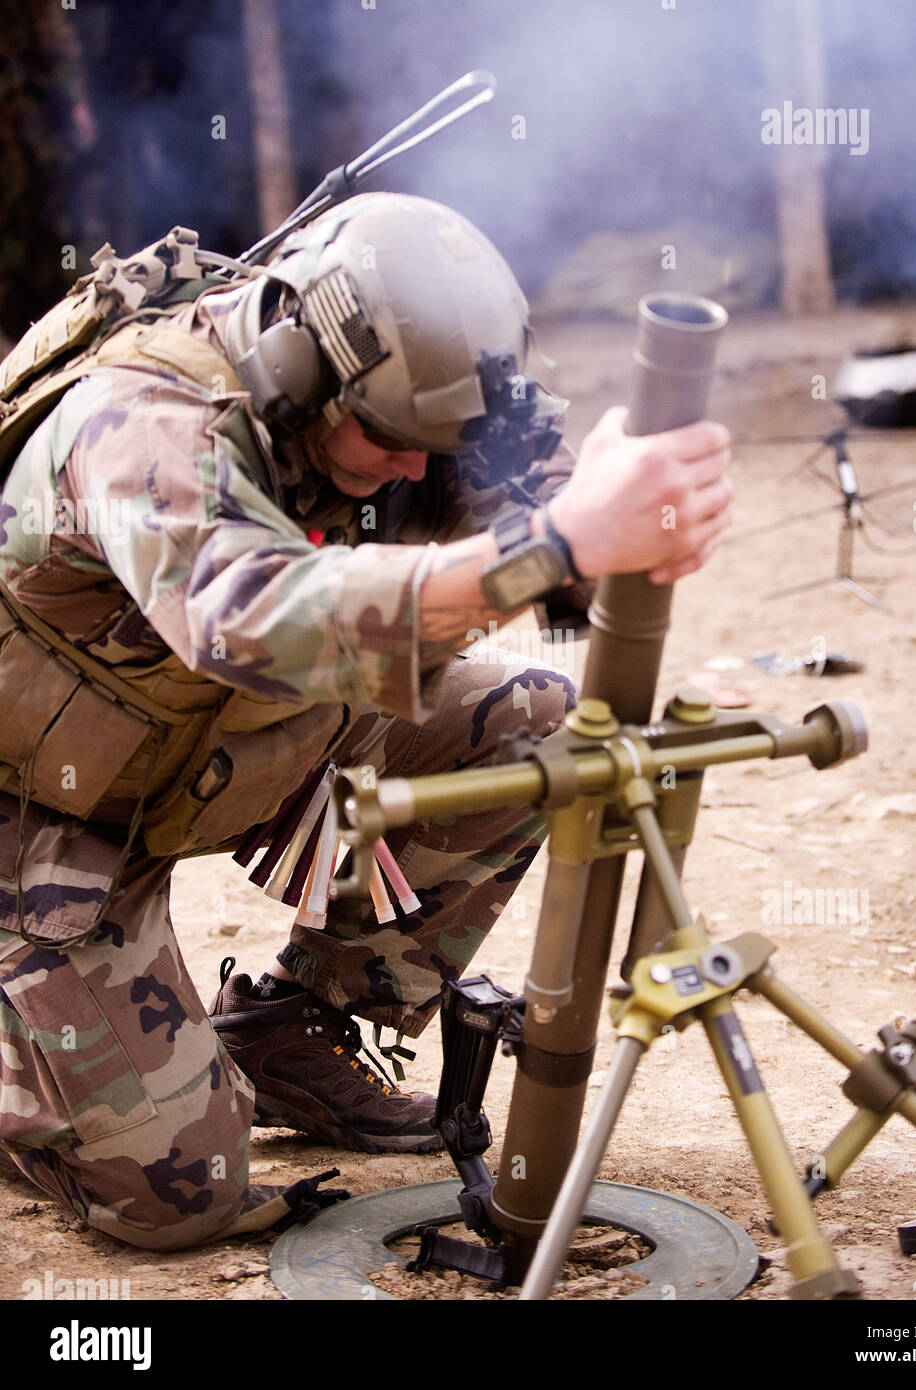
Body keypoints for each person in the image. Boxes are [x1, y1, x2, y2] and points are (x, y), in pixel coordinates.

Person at [0, 193, 732, 1249]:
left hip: (222, 752)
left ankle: (297, 1023)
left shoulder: (391, 417)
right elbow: (252, 619)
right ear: (301, 369)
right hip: (47, 824)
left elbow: (542, 527)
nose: (413, 470)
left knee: (528, 726)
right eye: (391, 441)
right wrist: (559, 545)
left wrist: (625, 505)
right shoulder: (143, 424)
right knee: (186, 1196)